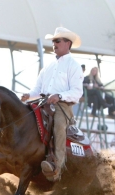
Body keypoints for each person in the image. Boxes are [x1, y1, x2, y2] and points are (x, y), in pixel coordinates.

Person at [20, 27, 83, 182]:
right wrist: (29, 95)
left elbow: (77, 92)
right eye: (53, 41)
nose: (54, 44)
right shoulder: (47, 67)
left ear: (67, 43)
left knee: (59, 125)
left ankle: (56, 166)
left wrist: (59, 95)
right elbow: (38, 89)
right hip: (43, 102)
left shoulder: (74, 66)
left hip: (63, 106)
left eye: (57, 41)